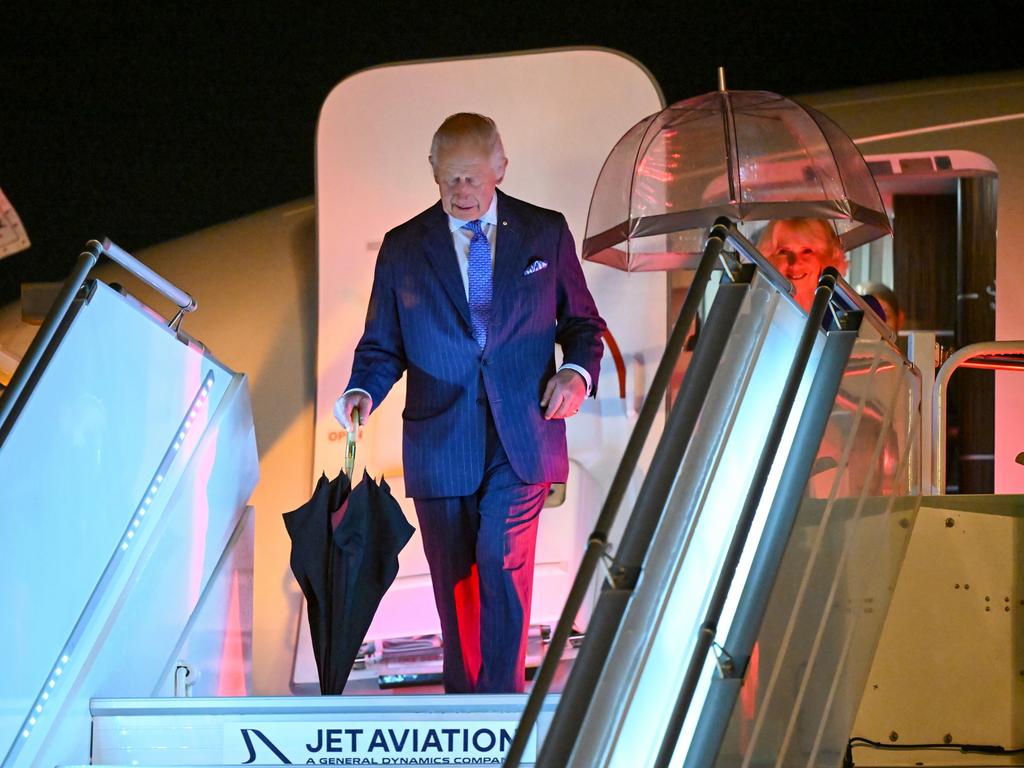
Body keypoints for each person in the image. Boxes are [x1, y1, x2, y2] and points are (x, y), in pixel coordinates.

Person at [334, 113, 606, 694]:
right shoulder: (404, 248)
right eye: (450, 179)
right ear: (432, 171)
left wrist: (578, 374)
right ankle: (467, 707)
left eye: (472, 180)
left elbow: (582, 323)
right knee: (454, 582)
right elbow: (383, 345)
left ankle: (500, 707)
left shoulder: (545, 233)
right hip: (441, 439)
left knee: (502, 560)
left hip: (523, 432)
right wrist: (361, 390)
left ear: (501, 169)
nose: (461, 193)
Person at [758, 218, 848, 311]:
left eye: (807, 251)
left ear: (827, 258)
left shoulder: (850, 313)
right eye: (783, 252)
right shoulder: (753, 311)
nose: (795, 264)